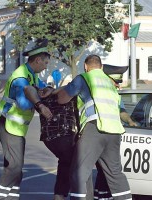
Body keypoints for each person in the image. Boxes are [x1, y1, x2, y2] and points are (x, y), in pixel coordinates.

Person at [57, 54, 132, 200]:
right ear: (101, 67)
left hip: (95, 128)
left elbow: (62, 99)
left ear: (85, 66)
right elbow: (120, 109)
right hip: (115, 131)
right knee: (115, 173)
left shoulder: (84, 78)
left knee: (80, 171)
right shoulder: (110, 83)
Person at [0, 39, 53, 200]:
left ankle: (12, 196)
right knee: (15, 166)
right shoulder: (20, 78)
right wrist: (40, 101)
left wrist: (48, 89)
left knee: (16, 165)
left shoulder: (31, 74)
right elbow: (24, 104)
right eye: (45, 62)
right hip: (8, 124)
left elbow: (42, 86)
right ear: (37, 60)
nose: (46, 66)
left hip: (17, 127)